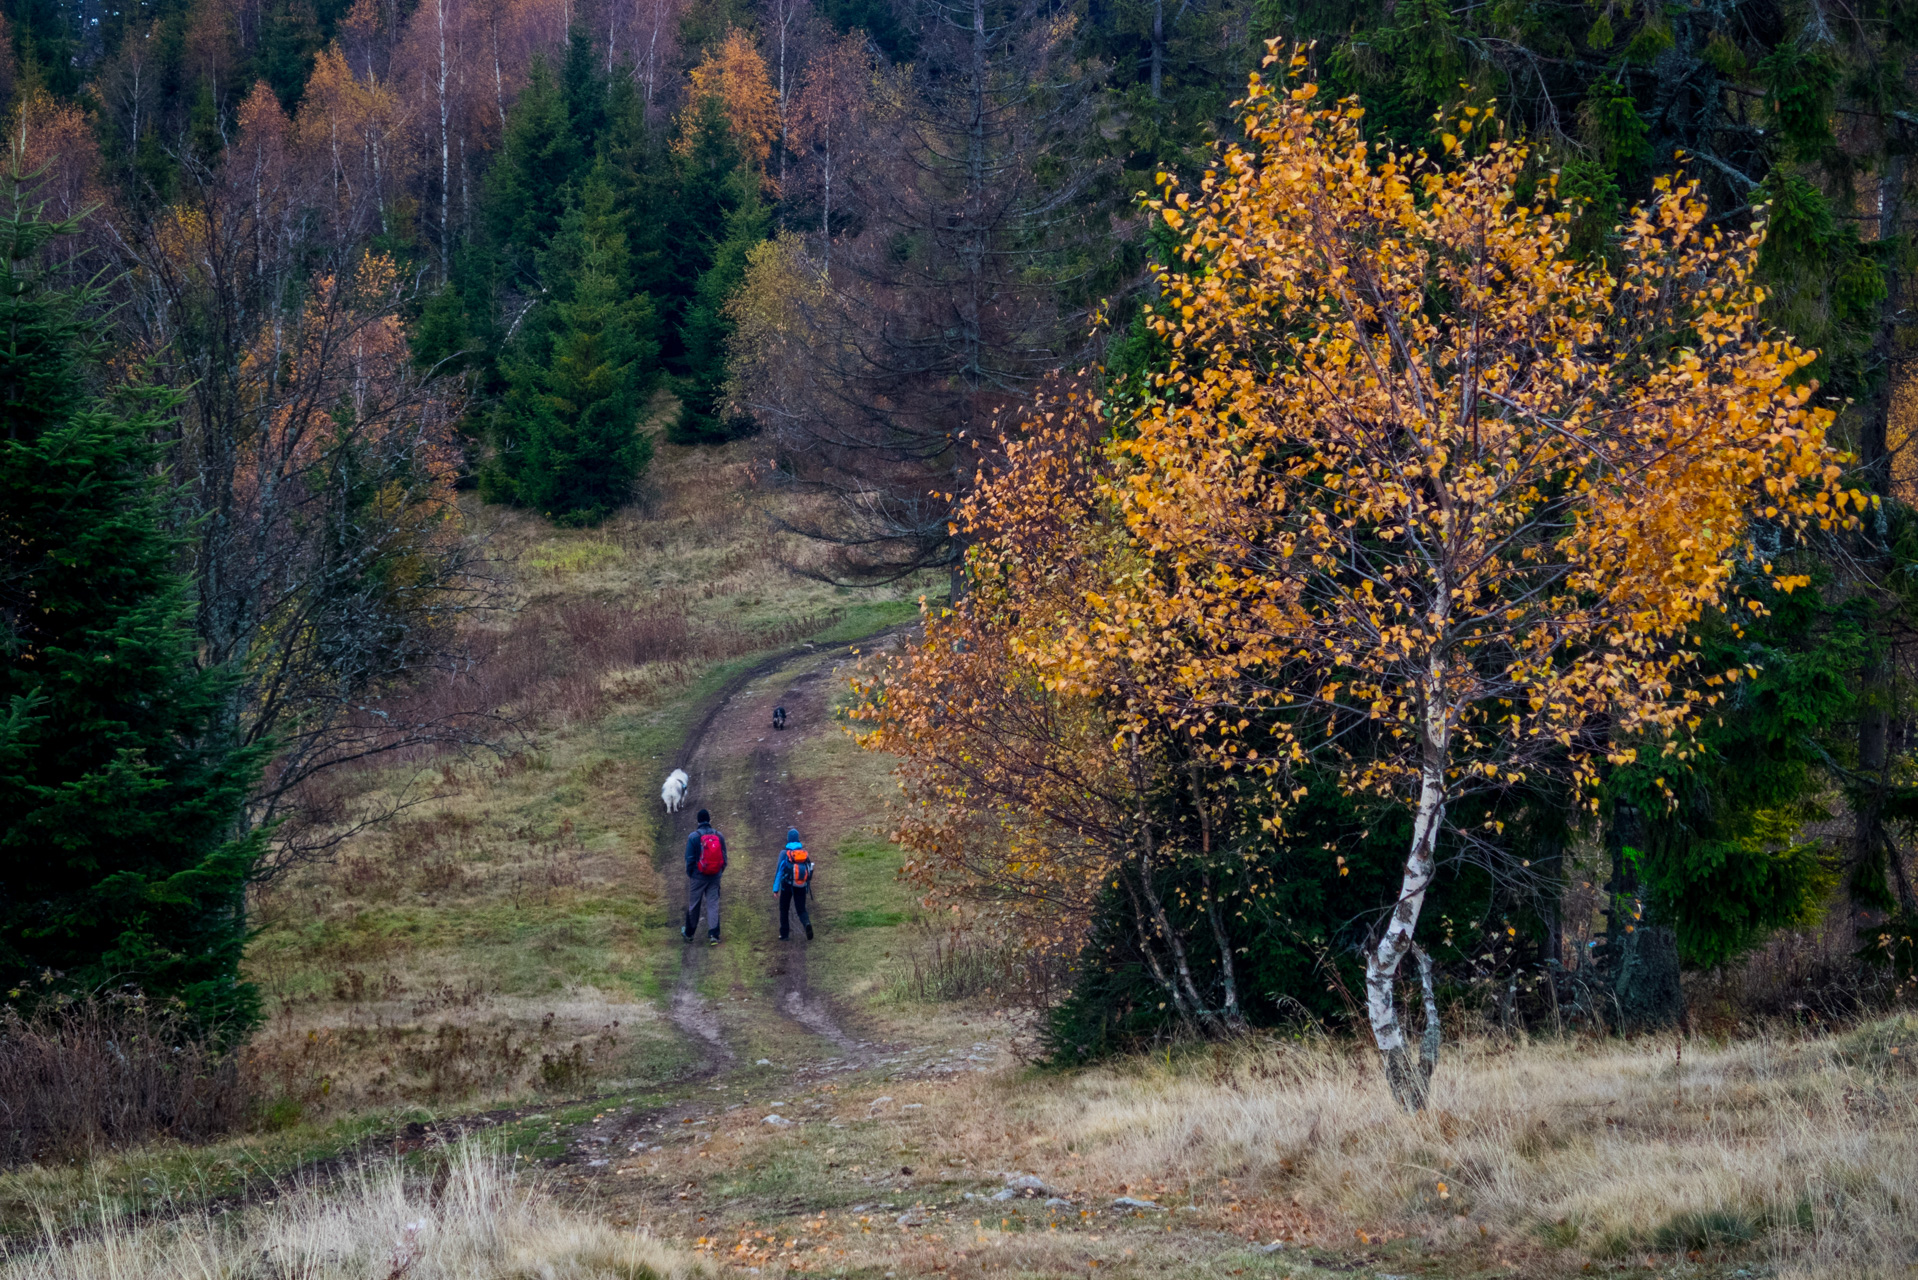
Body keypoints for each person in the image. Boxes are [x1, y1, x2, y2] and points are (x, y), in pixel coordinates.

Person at [682, 809, 727, 944]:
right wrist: (719, 871)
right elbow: (724, 857)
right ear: (709, 820)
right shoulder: (718, 835)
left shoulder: (693, 837)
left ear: (698, 821)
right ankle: (714, 934)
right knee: (713, 903)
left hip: (698, 876)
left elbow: (689, 859)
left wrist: (691, 874)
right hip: (715, 876)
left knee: (694, 904)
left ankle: (689, 934)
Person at [772, 827, 814, 941]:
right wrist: (806, 886)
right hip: (801, 885)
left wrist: (776, 889)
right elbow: (809, 870)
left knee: (784, 908)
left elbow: (779, 871)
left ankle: (784, 934)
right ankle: (806, 924)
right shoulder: (803, 853)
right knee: (801, 909)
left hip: (787, 885)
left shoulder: (784, 853)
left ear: (788, 839)